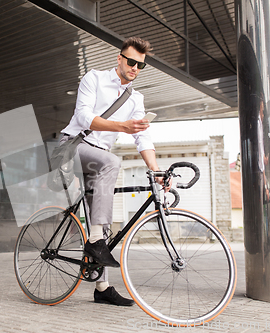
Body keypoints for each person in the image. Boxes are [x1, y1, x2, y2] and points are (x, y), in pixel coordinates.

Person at [60, 37, 167, 306]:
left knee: (102, 221)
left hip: (97, 158)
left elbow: (143, 138)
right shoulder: (94, 78)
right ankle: (95, 241)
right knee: (112, 162)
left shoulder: (136, 98)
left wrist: (156, 170)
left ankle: (102, 287)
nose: (134, 68)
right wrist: (122, 128)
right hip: (73, 146)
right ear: (119, 58)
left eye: (140, 65)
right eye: (130, 61)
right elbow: (84, 117)